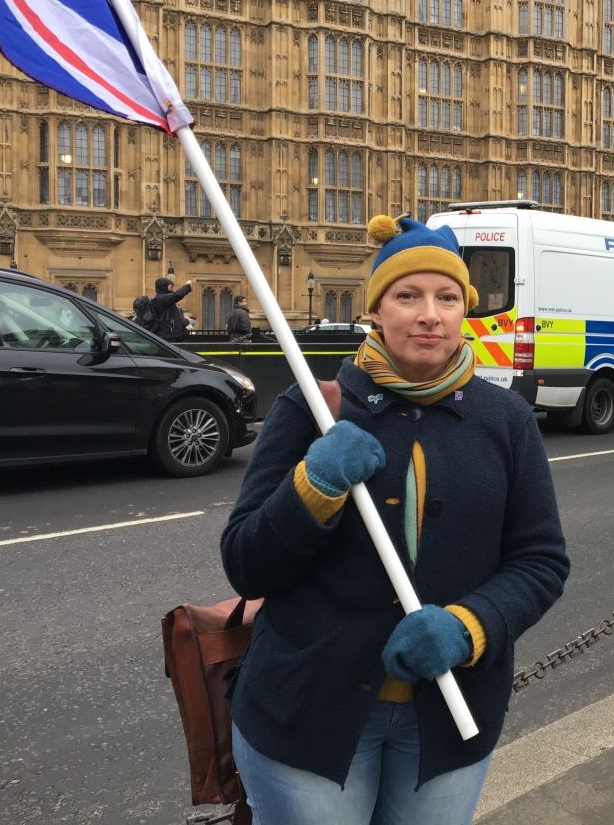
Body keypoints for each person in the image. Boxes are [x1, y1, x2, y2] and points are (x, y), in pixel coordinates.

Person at [220, 215, 570, 825]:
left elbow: (540, 561)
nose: (429, 314)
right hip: (308, 713)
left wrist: (470, 627)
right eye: (407, 296)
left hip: (448, 717)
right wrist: (315, 486)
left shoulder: (506, 420)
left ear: (466, 311)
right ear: (376, 310)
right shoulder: (313, 406)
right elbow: (247, 564)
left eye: (447, 297)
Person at [151, 276, 192, 342]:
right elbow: (177, 295)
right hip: (166, 337)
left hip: (171, 335)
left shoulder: (165, 299)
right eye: (170, 287)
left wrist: (186, 320)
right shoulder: (162, 298)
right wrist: (188, 286)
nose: (171, 289)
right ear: (163, 287)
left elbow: (175, 317)